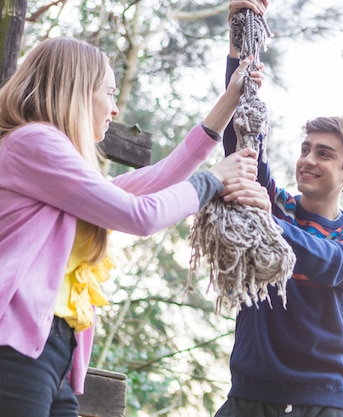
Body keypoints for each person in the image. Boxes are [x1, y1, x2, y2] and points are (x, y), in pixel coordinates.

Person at [0, 36, 269, 417]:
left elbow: (155, 181)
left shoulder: (53, 165)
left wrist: (229, 99)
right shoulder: (34, 143)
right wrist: (212, 181)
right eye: (108, 93)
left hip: (50, 352)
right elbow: (139, 215)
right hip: (14, 348)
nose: (114, 108)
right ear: (76, 90)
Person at [213, 2, 343, 416]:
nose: (308, 160)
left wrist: (268, 223)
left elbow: (332, 262)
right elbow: (242, 141)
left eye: (324, 154)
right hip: (248, 397)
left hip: (323, 401)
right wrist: (242, 31)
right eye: (305, 149)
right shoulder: (280, 205)